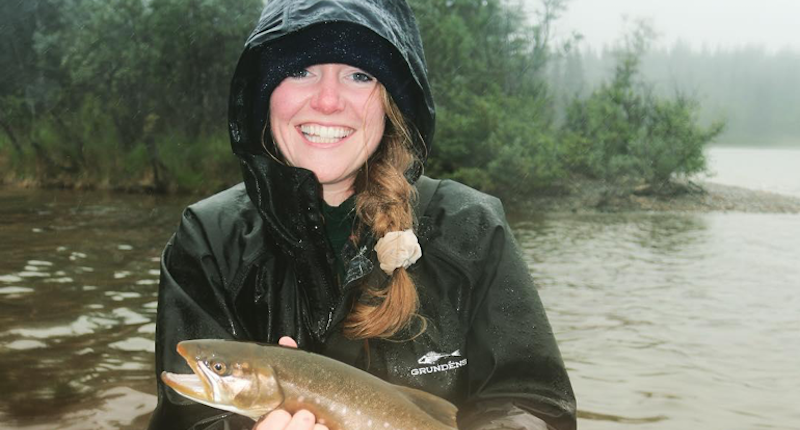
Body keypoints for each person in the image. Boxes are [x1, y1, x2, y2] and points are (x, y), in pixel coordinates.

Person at [148, 0, 576, 429]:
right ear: (263, 94)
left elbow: (533, 406)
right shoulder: (207, 239)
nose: (329, 101)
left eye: (359, 75)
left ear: (391, 103)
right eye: (300, 70)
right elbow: (186, 421)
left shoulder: (472, 227)